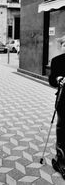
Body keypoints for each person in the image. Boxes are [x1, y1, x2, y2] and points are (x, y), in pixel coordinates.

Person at [49, 36, 65, 178]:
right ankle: (61, 161)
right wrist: (58, 79)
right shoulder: (57, 61)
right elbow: (51, 79)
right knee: (62, 130)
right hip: (63, 102)